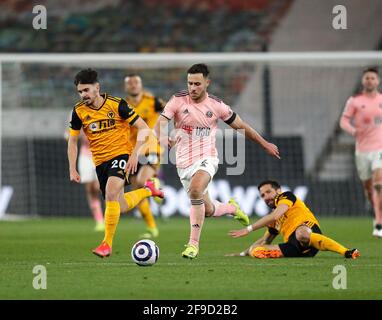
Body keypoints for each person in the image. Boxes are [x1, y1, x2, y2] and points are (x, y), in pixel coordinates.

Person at [154, 63, 280, 259]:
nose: (192, 88)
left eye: (197, 83)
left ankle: (193, 245)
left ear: (207, 82)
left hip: (207, 158)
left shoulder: (216, 105)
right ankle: (232, 208)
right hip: (183, 163)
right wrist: (162, 137)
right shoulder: (178, 101)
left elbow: (241, 126)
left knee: (196, 190)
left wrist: (264, 144)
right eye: (189, 83)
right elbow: (160, 123)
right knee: (208, 209)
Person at [67, 68, 164, 258]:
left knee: (111, 193)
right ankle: (148, 190)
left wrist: (135, 154)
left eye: (86, 90)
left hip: (121, 155)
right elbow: (72, 141)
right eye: (80, 91)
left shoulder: (117, 104)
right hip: (100, 162)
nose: (83, 95)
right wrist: (72, 167)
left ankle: (106, 244)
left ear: (97, 88)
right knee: (119, 204)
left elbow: (143, 127)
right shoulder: (78, 111)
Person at [228, 180, 360, 259]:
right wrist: (242, 253)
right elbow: (266, 239)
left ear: (278, 190)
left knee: (301, 233)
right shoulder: (273, 218)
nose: (266, 197)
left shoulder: (286, 196)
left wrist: (248, 229)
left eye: (268, 192)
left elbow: (274, 216)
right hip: (293, 247)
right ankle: (278, 254)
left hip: (308, 232)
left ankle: (346, 251)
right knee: (255, 249)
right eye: (262, 195)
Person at [340, 67, 382, 238]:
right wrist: (353, 131)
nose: (370, 80)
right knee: (368, 189)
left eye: (373, 78)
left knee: (379, 184)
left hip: (380, 148)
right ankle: (376, 215)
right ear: (363, 81)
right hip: (362, 150)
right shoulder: (355, 101)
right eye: (367, 78)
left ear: (378, 81)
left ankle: (379, 224)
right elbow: (343, 121)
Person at [124, 74, 166, 238]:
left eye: (136, 82)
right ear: (126, 87)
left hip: (151, 148)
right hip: (132, 152)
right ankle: (152, 227)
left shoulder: (153, 101)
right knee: (137, 193)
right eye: (130, 83)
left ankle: (154, 184)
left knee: (142, 181)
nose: (133, 85)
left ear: (141, 85)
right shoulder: (122, 105)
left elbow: (171, 111)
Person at [65, 126, 104, 232]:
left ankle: (111, 214)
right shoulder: (77, 113)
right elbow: (69, 134)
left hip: (100, 154)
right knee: (90, 189)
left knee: (98, 187)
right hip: (85, 156)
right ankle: (99, 220)